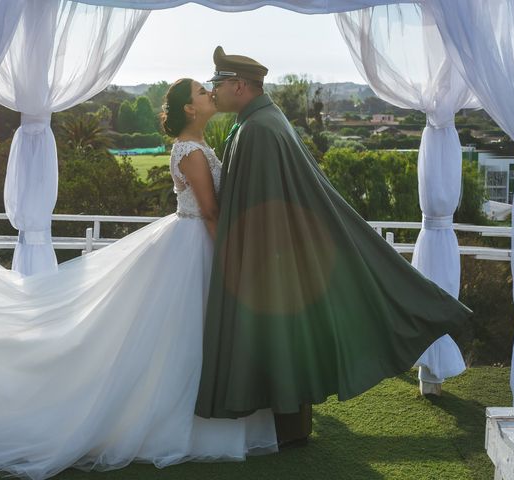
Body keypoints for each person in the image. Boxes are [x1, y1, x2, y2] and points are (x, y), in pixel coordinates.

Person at [0, 78, 277, 480]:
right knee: (183, 335)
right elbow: (209, 212)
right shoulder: (192, 153)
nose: (210, 95)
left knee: (180, 336)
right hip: (193, 244)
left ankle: (190, 415)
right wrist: (233, 257)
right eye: (203, 93)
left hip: (185, 242)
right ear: (190, 108)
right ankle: (180, 423)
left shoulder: (200, 147)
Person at [194, 47, 472, 447]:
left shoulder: (258, 130)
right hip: (281, 257)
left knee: (281, 339)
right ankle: (289, 428)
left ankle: (288, 432)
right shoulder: (261, 123)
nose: (213, 90)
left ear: (239, 85)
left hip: (271, 261)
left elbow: (259, 208)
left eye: (217, 84)